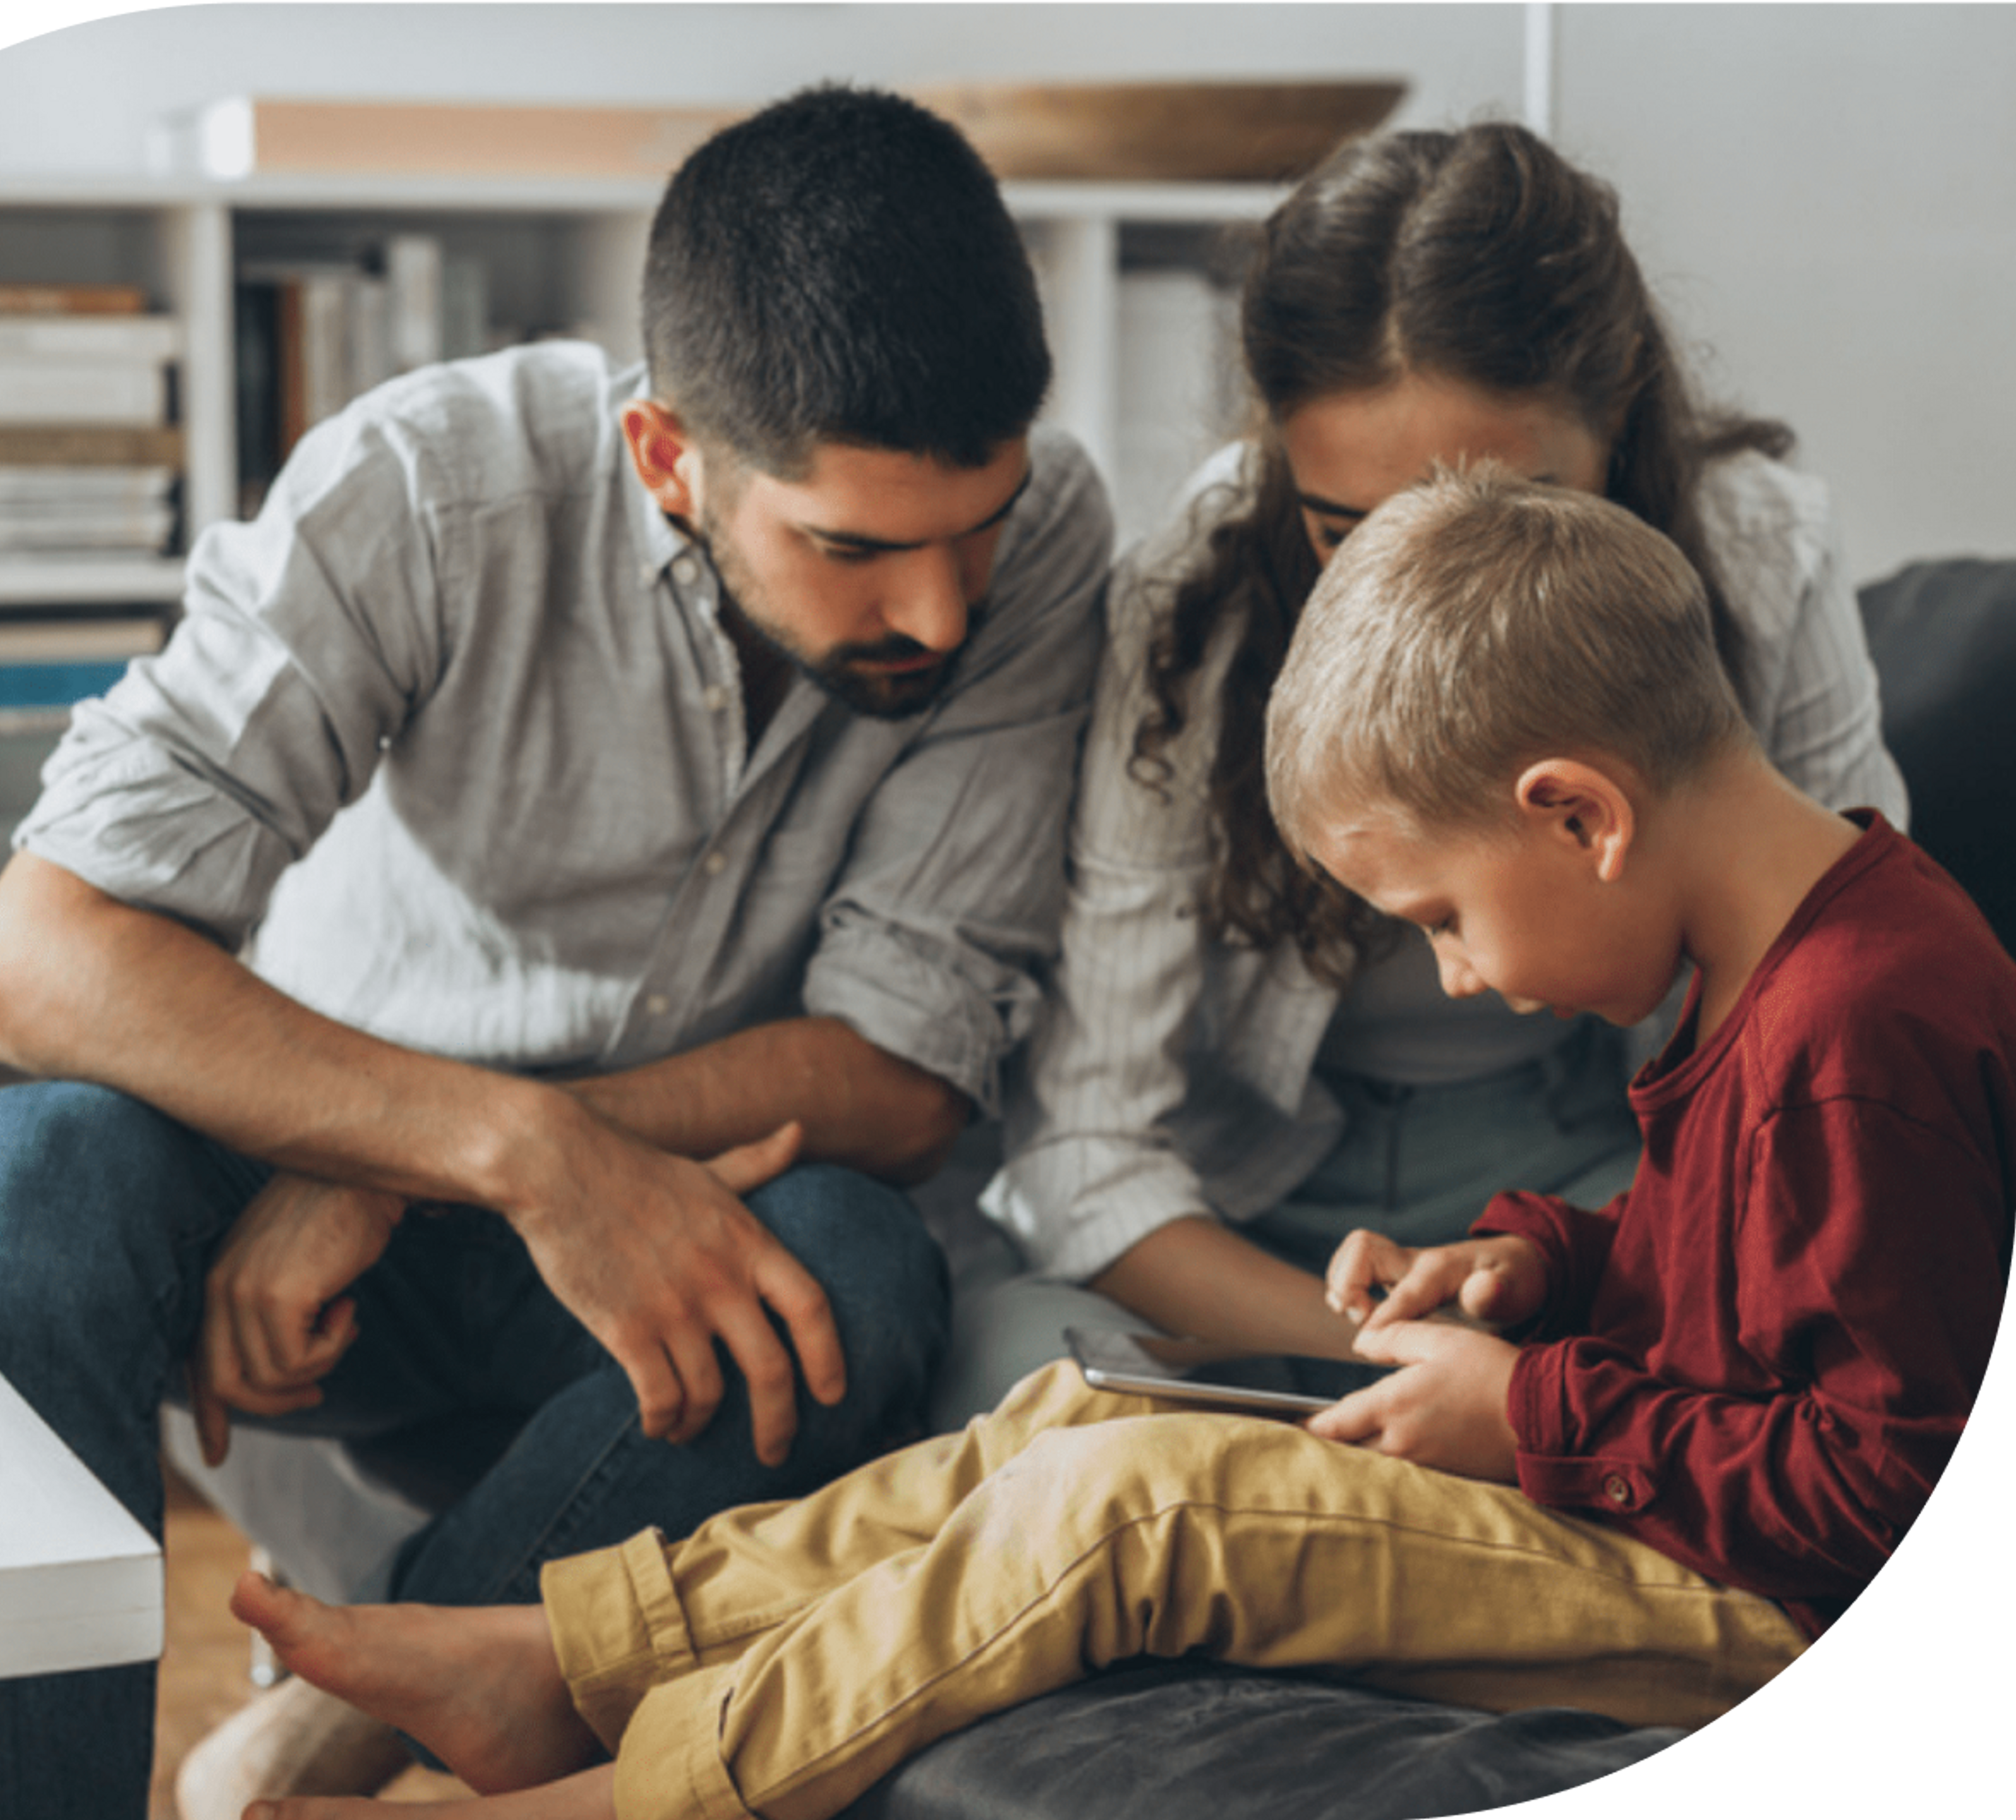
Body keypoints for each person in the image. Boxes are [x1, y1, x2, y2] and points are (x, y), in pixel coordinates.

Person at [219, 466, 2010, 1820]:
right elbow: (1766, 1296)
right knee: (1075, 1416)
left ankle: (645, 1794)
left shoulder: (1855, 1031)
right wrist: (1542, 1263)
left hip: (1759, 1616)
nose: (1458, 973)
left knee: (1132, 1513)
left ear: (1577, 816)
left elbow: (1883, 1485)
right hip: (1677, 1511)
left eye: (1443, 916)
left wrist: (1528, 1409)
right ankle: (576, 1655)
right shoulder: (1775, 948)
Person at [0, 84, 1110, 1820]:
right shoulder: (430, 487)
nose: (940, 610)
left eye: (973, 527)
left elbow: (903, 1077)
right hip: (297, 1248)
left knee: (859, 1268)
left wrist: (499, 1167)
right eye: (853, 549)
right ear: (668, 458)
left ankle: (359, 1704)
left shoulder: (1047, 540)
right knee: (37, 1176)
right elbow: (31, 963)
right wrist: (490, 1150)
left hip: (666, 1262)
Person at [937, 119, 1909, 1425]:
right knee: (1033, 1394)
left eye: (1504, 508)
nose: (1418, 586)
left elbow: (1841, 1008)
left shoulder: (1762, 551)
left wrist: (1555, 1343)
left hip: (1609, 1197)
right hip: (1257, 1225)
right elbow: (1090, 1151)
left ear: (1614, 425)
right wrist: (1402, 1367)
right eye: (1346, 528)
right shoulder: (1201, 590)